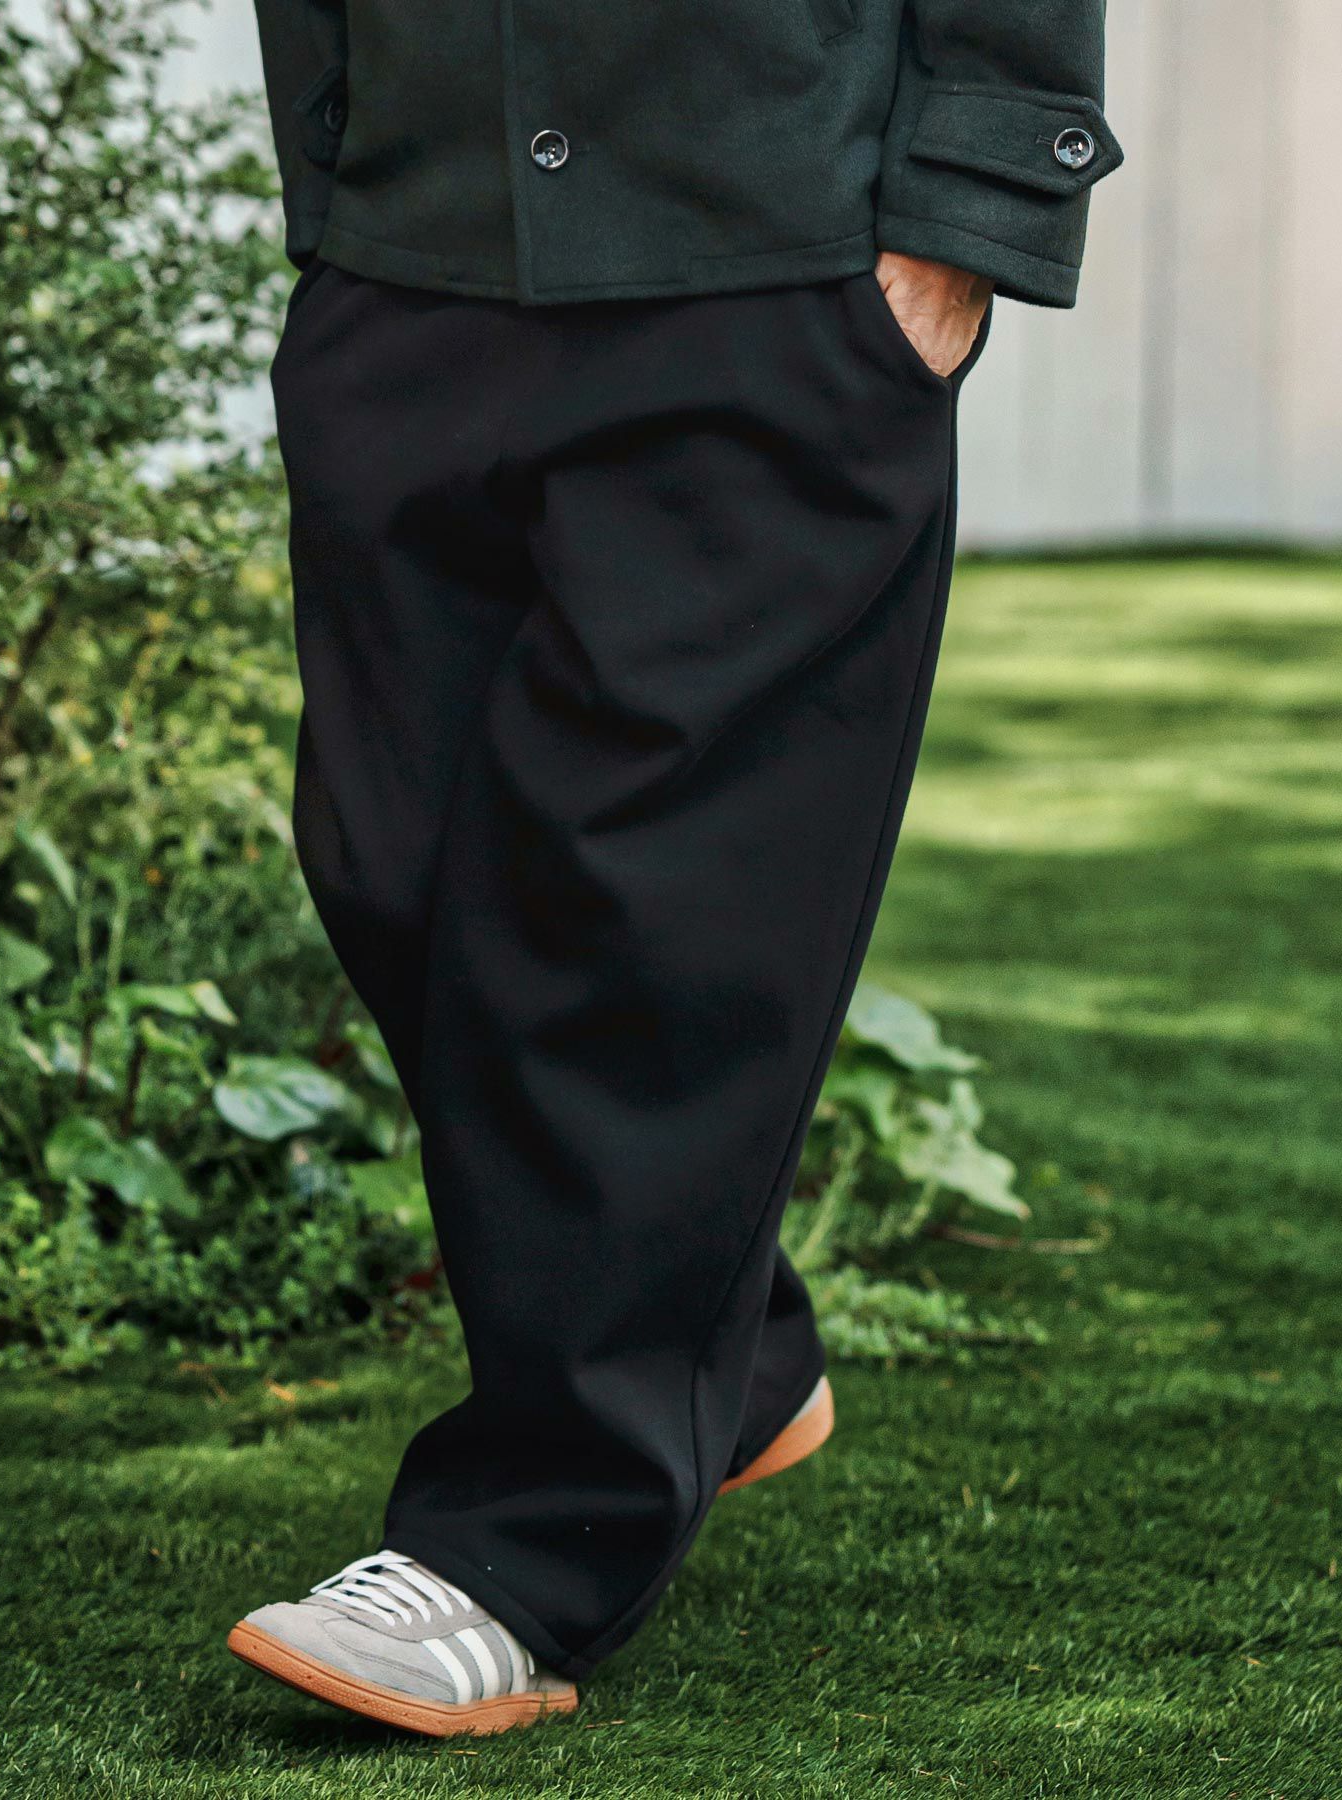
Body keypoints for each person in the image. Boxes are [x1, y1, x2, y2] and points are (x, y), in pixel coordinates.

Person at [229, 0, 1120, 1737]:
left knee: (647, 900)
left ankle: (525, 1551)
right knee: (389, 855)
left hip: (771, 259)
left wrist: (974, 209)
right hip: (409, 253)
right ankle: (735, 1342)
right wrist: (330, 176)